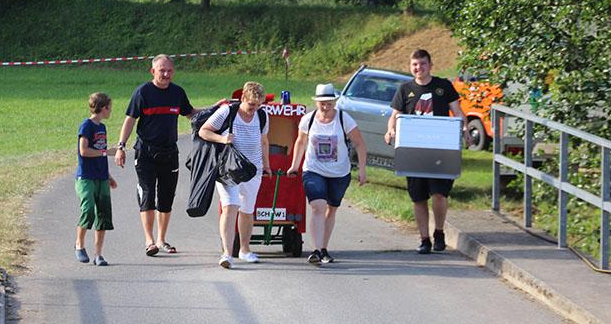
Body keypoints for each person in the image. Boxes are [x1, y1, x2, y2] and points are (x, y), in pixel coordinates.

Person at [385, 49, 471, 253]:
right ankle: (424, 239)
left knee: (440, 194)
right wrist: (390, 130)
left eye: (423, 64)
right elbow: (395, 116)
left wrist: (465, 129)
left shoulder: (443, 86)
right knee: (419, 198)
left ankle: (439, 232)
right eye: (415, 64)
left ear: (430, 65)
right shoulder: (405, 89)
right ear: (410, 66)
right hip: (413, 152)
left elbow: (458, 112)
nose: (419, 68)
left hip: (440, 150)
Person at [115, 54, 202, 257]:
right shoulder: (143, 93)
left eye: (169, 71)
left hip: (169, 153)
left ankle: (162, 239)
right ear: (153, 71)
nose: (166, 74)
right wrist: (121, 146)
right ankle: (149, 240)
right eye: (162, 70)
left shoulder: (177, 93)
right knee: (147, 195)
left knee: (166, 197)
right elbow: (130, 120)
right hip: (145, 152)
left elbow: (191, 113)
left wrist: (216, 109)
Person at [287, 83, 367, 265]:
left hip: (339, 173)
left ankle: (324, 248)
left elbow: (360, 144)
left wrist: (362, 170)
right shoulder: (308, 119)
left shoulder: (344, 119)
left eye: (329, 103)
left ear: (334, 102)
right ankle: (315, 250)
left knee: (331, 209)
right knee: (318, 206)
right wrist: (294, 165)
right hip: (313, 170)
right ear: (316, 103)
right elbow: (300, 142)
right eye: (322, 103)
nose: (325, 106)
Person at [199, 81, 271, 269]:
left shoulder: (262, 116)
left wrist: (267, 165)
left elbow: (264, 141)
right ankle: (227, 253)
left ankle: (245, 250)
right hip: (228, 170)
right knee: (230, 206)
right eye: (250, 105)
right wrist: (222, 138)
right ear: (242, 99)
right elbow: (204, 131)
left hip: (253, 169)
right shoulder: (227, 112)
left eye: (257, 105)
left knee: (247, 210)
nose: (253, 110)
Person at [75, 92, 117, 266]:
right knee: (88, 210)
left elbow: (100, 156)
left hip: (101, 177)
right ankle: (79, 244)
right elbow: (83, 151)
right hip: (86, 177)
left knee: (103, 214)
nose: (110, 112)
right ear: (103, 107)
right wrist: (107, 152)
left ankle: (98, 255)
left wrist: (108, 176)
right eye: (110, 108)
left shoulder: (102, 128)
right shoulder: (86, 126)